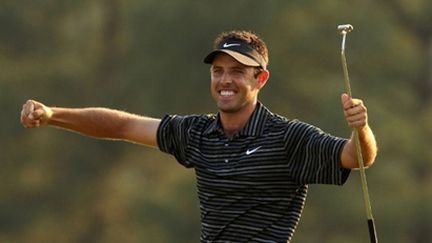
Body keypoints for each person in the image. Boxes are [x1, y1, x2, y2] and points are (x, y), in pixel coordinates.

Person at [20, 30, 377, 243]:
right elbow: (122, 126)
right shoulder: (197, 133)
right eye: (218, 71)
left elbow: (357, 157)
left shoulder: (288, 138)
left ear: (260, 79)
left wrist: (360, 128)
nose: (225, 80)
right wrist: (54, 115)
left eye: (237, 72)